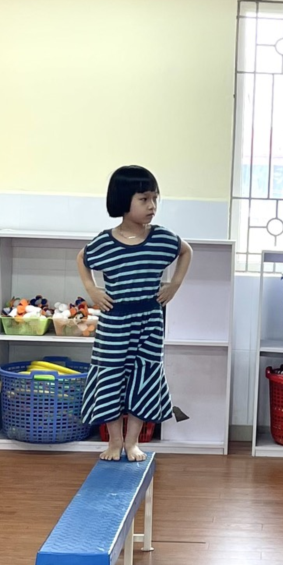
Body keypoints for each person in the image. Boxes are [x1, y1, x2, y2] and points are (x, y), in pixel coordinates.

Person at [79, 165, 194, 461]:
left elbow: (186, 251)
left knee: (145, 377)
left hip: (150, 321)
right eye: (144, 199)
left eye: (155, 198)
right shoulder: (104, 242)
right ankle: (114, 442)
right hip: (114, 322)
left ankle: (132, 443)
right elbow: (82, 258)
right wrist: (92, 290)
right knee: (110, 377)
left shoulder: (162, 238)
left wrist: (174, 285)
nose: (152, 205)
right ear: (123, 200)